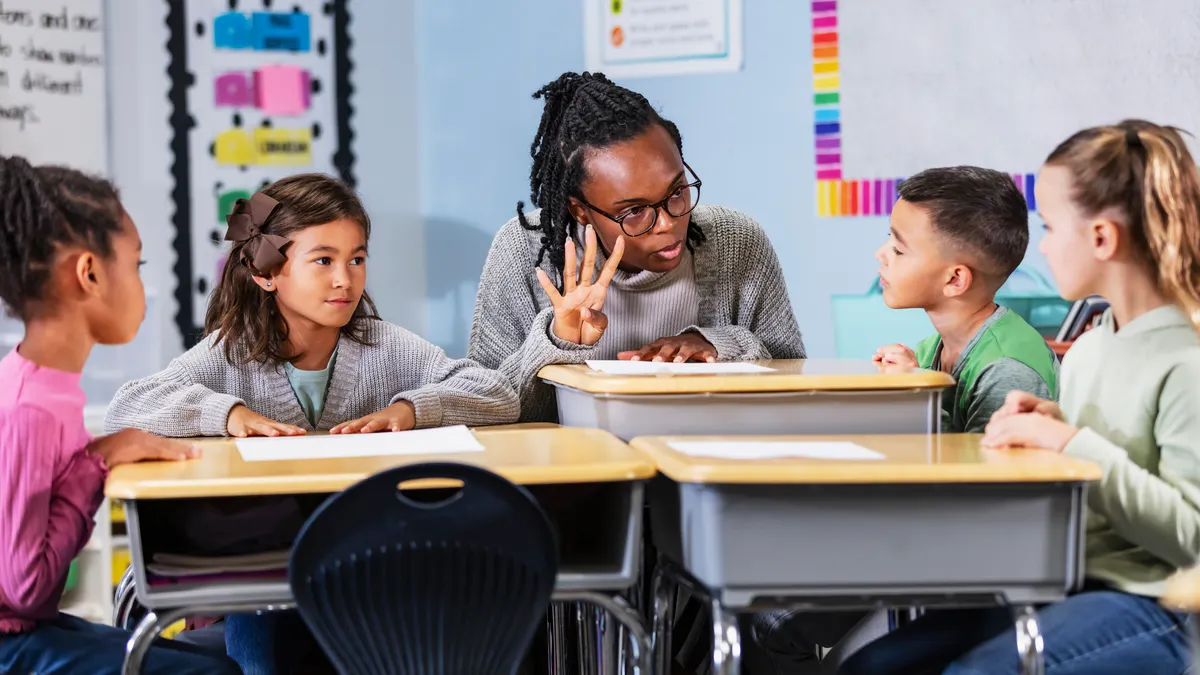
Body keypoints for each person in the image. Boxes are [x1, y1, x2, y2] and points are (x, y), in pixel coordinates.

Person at [842, 119, 1200, 675]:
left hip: (1164, 606)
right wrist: (1050, 425)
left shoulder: (1186, 362)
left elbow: (1192, 540)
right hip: (1070, 587)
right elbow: (1107, 471)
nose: (1043, 245)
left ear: (1102, 239)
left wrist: (1071, 443)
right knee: (871, 669)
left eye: (1052, 228)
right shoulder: (1088, 353)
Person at [0, 156, 239, 674]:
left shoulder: (46, 387)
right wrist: (96, 463)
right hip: (13, 640)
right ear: (88, 274)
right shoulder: (30, 405)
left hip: (24, 628)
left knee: (223, 652)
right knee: (217, 671)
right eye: (136, 265)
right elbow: (28, 591)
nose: (140, 286)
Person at [469, 71, 806, 424]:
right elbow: (485, 405)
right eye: (634, 211)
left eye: (677, 191)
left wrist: (718, 345)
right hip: (577, 472)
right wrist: (557, 343)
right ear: (580, 210)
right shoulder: (525, 250)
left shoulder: (736, 240)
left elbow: (794, 379)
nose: (668, 223)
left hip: (705, 462)